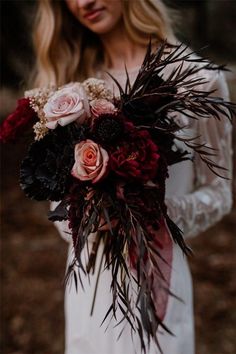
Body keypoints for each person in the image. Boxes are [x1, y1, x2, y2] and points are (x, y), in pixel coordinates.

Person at [31, 1, 233, 353]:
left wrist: (150, 213)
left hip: (157, 279)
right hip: (88, 285)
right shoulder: (70, 90)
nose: (84, 3)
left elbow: (220, 193)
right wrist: (85, 216)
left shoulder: (198, 78)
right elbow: (56, 202)